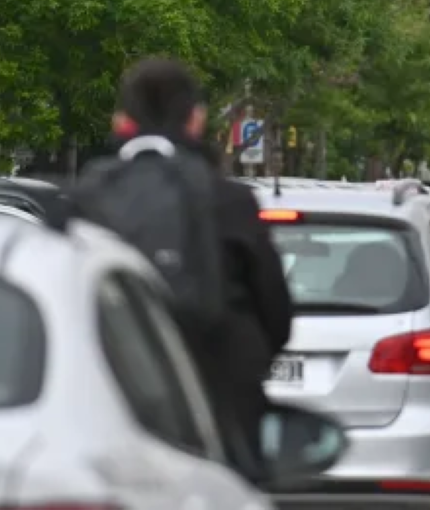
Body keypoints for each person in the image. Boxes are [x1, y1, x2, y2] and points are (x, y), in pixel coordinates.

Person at [99, 59, 295, 469]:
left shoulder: (87, 199)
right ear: (196, 121)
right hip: (221, 412)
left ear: (122, 123)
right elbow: (276, 313)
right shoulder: (230, 202)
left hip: (114, 413)